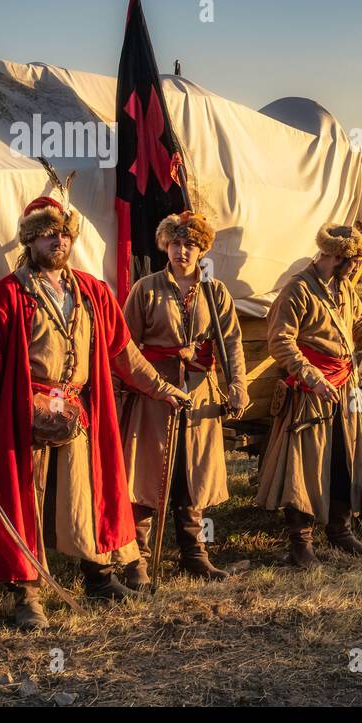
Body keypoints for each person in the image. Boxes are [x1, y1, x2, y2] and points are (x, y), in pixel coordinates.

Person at [0, 196, 188, 629]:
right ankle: (27, 594)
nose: (58, 239)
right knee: (28, 503)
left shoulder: (92, 292)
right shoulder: (8, 295)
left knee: (85, 496)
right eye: (47, 232)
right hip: (24, 417)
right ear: (30, 238)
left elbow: (124, 355)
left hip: (76, 411)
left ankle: (98, 577)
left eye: (63, 232)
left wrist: (162, 387)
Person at [256, 222, 362, 567]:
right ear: (336, 256)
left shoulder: (343, 288)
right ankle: (301, 544)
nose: (357, 268)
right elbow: (280, 341)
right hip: (310, 392)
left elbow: (357, 324)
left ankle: (341, 533)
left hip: (344, 387)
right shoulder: (297, 291)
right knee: (304, 469)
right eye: (353, 261)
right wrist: (311, 377)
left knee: (345, 459)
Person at [120, 212, 249, 589]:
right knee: (146, 475)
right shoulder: (146, 288)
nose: (182, 250)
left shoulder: (215, 291)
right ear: (166, 245)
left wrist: (237, 385)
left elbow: (232, 343)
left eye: (190, 244)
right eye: (176, 243)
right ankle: (137, 561)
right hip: (155, 393)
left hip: (200, 393)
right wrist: (148, 385)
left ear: (201, 248)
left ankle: (196, 555)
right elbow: (125, 345)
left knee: (193, 475)